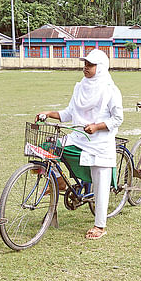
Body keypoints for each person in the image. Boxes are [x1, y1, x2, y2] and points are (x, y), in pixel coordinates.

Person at [36, 49, 123, 240]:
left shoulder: (110, 90)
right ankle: (59, 181)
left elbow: (118, 118)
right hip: (78, 137)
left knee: (100, 183)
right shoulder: (80, 87)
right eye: (85, 64)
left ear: (100, 67)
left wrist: (98, 126)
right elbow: (70, 113)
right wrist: (50, 113)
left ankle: (100, 225)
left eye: (90, 65)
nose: (86, 67)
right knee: (46, 147)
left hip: (100, 142)